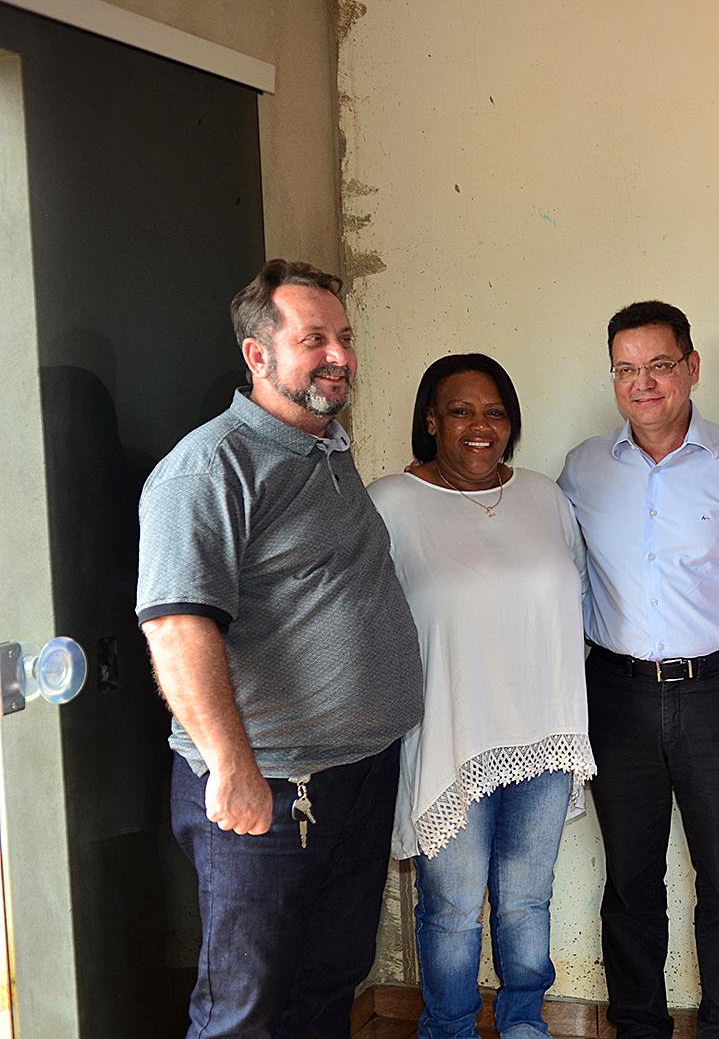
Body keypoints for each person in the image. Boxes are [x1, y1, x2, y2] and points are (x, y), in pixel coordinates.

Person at [137, 259, 424, 1038]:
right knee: (244, 1010)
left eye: (345, 337)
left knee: (328, 985)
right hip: (266, 789)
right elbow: (177, 628)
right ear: (257, 355)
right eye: (314, 339)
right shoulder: (208, 467)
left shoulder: (325, 447)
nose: (339, 355)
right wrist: (231, 768)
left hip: (354, 775)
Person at [557, 301, 719, 1039]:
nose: (643, 383)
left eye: (659, 365)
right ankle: (638, 1027)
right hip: (615, 696)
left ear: (691, 367)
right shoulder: (584, 468)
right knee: (629, 883)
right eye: (626, 369)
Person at [369, 354, 597, 1039]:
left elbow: (580, 597)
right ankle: (449, 1029)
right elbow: (360, 620)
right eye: (460, 410)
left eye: (495, 411)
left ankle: (525, 1024)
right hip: (452, 738)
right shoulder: (391, 502)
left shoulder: (543, 496)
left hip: (545, 736)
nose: (480, 425)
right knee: (452, 909)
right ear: (431, 420)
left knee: (527, 901)